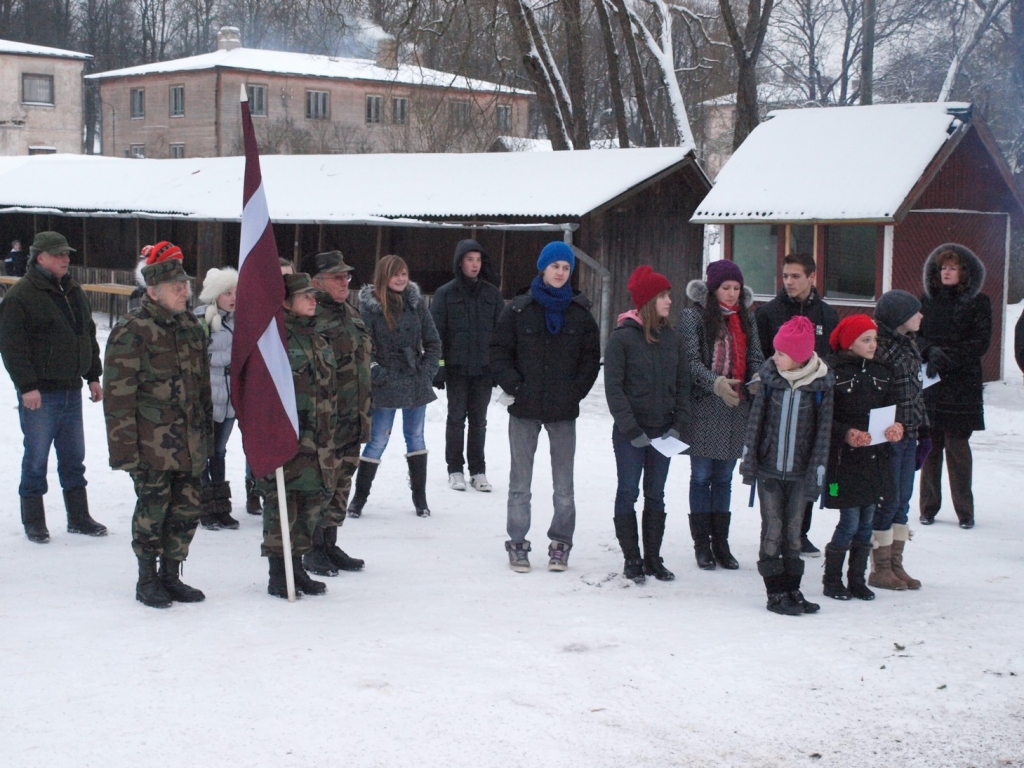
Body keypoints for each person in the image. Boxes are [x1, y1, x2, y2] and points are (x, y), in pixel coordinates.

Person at [103, 256, 212, 608]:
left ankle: (171, 574)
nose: (184, 291)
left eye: (186, 285)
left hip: (190, 442)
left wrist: (205, 437)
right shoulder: (132, 330)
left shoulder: (191, 327)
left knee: (185, 512)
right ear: (152, 291)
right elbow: (118, 399)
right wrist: (124, 453)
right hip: (151, 445)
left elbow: (203, 388)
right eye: (175, 287)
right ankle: (147, 578)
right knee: (153, 512)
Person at [490, 241, 601, 573]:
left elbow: (590, 360)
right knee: (519, 484)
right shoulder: (519, 309)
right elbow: (498, 352)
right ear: (543, 268)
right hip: (524, 408)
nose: (561, 272)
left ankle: (560, 543)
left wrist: (574, 393)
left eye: (566, 268)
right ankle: (518, 542)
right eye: (555, 266)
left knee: (564, 486)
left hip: (562, 411)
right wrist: (514, 385)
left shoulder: (581, 314)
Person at [0, 231, 107, 544]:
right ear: (40, 257)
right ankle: (34, 521)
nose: (65, 259)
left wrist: (93, 375)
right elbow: (12, 346)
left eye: (67, 253)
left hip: (72, 390)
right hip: (40, 394)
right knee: (36, 459)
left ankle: (79, 517)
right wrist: (27, 386)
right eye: (58, 254)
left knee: (74, 457)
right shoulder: (22, 294)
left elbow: (86, 333)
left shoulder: (72, 289)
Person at [740, 316, 834, 616]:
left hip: (799, 473)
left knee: (794, 532)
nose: (775, 357)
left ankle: (792, 588)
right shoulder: (770, 380)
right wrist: (749, 461)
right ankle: (774, 592)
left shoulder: (821, 385)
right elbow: (755, 423)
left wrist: (818, 473)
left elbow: (823, 433)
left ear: (799, 356)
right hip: (769, 471)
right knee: (772, 529)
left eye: (781, 353)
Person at [604, 266, 690, 583]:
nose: (670, 301)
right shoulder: (622, 339)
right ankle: (632, 558)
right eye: (664, 295)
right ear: (649, 301)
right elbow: (614, 389)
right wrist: (632, 431)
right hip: (632, 436)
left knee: (656, 494)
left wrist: (677, 426)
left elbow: (683, 386)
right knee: (628, 492)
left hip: (664, 433)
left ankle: (653, 557)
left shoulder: (673, 339)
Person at [257, 273, 340, 598]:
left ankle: (297, 567)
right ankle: (279, 574)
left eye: (313, 295)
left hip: (317, 444)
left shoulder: (317, 339)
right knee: (282, 508)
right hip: (286, 444)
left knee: (309, 509)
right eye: (305, 295)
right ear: (285, 301)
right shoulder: (274, 342)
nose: (312, 300)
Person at [678, 260, 763, 571]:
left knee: (724, 479)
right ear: (712, 289)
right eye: (726, 288)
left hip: (735, 406)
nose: (731, 294)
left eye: (736, 289)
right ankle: (702, 544)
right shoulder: (693, 316)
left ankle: (721, 543)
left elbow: (755, 354)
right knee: (702, 477)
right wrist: (714, 382)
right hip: (704, 405)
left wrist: (756, 378)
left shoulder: (746, 319)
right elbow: (689, 360)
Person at [754, 252, 839, 558]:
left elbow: (834, 358)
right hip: (778, 401)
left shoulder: (828, 315)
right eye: (785, 275)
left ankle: (800, 533)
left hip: (813, 401)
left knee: (807, 471)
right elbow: (762, 356)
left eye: (795, 276)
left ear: (812, 277)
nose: (788, 282)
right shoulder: (769, 313)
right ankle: (773, 537)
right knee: (777, 474)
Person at [349, 255, 441, 518]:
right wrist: (377, 374)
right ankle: (359, 498)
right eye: (395, 274)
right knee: (377, 439)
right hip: (385, 381)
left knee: (416, 437)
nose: (401, 279)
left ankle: (420, 499)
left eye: (404, 273)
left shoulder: (416, 304)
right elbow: (363, 347)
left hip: (414, 380)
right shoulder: (369, 307)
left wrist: (427, 372)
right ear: (383, 276)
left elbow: (434, 342)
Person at [299, 250, 371, 576]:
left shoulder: (351, 314)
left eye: (347, 276)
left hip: (354, 416)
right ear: (317, 282)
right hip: (325, 419)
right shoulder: (312, 318)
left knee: (342, 481)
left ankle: (330, 541)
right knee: (320, 485)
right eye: (337, 276)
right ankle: (312, 548)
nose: (344, 281)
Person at [822, 315, 901, 601]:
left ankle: (856, 579)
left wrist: (896, 426)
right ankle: (832, 579)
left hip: (875, 456)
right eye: (865, 340)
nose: (872, 345)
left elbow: (894, 406)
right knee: (850, 520)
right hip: (844, 461)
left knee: (867, 521)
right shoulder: (832, 371)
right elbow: (824, 417)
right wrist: (845, 433)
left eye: (874, 339)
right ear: (849, 343)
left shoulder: (883, 370)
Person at [917, 244, 991, 530]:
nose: (947, 272)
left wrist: (949, 357)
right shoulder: (926, 300)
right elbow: (914, 334)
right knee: (930, 446)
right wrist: (928, 351)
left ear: (964, 272)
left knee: (958, 446)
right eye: (943, 268)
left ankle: (965, 511)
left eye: (953, 267)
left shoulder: (978, 302)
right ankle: (928, 507)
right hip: (932, 380)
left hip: (962, 383)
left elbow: (981, 341)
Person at [430, 239, 504, 493]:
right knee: (456, 419)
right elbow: (435, 336)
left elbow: (500, 335)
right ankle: (455, 469)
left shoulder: (492, 295)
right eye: (470, 259)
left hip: (483, 370)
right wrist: (439, 368)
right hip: (456, 369)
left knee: (479, 421)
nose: (474, 265)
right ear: (460, 262)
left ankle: (478, 470)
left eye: (478, 260)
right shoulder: (445, 294)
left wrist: (498, 367)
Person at [871, 290, 927, 591]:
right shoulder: (884, 349)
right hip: (889, 437)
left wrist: (924, 431)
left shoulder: (909, 346)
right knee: (887, 499)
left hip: (910, 434)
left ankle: (895, 563)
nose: (921, 317)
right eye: (916, 312)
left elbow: (916, 394)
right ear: (899, 318)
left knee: (903, 501)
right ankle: (879, 567)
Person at [244, 256, 296, 516]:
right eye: (279, 277)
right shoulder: (258, 311)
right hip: (263, 386)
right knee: (259, 438)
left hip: (289, 389)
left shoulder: (297, 308)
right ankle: (253, 487)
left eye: (288, 277)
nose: (283, 283)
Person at [195, 267, 240, 531]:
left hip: (230, 394)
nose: (233, 297)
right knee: (205, 451)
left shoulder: (239, 320)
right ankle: (205, 508)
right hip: (208, 394)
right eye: (227, 292)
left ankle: (222, 507)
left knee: (220, 451)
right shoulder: (201, 320)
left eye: (235, 292)